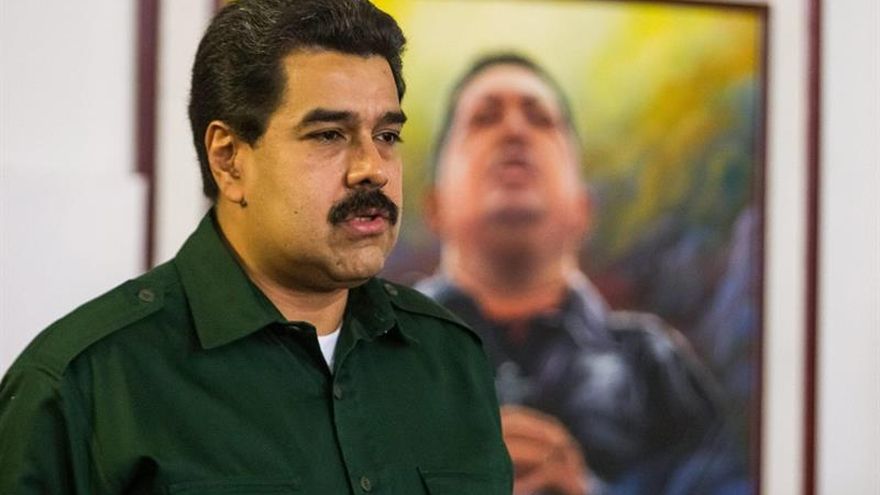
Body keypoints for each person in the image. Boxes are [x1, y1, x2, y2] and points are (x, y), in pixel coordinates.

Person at [0, 1, 512, 493]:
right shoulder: (88, 382)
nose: (372, 168)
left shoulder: (449, 359)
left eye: (386, 135)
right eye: (329, 135)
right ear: (228, 160)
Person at [417, 53, 747, 495]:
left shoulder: (655, 367)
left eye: (540, 119)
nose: (514, 131)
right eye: (484, 118)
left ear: (583, 209)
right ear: (434, 206)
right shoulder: (364, 359)